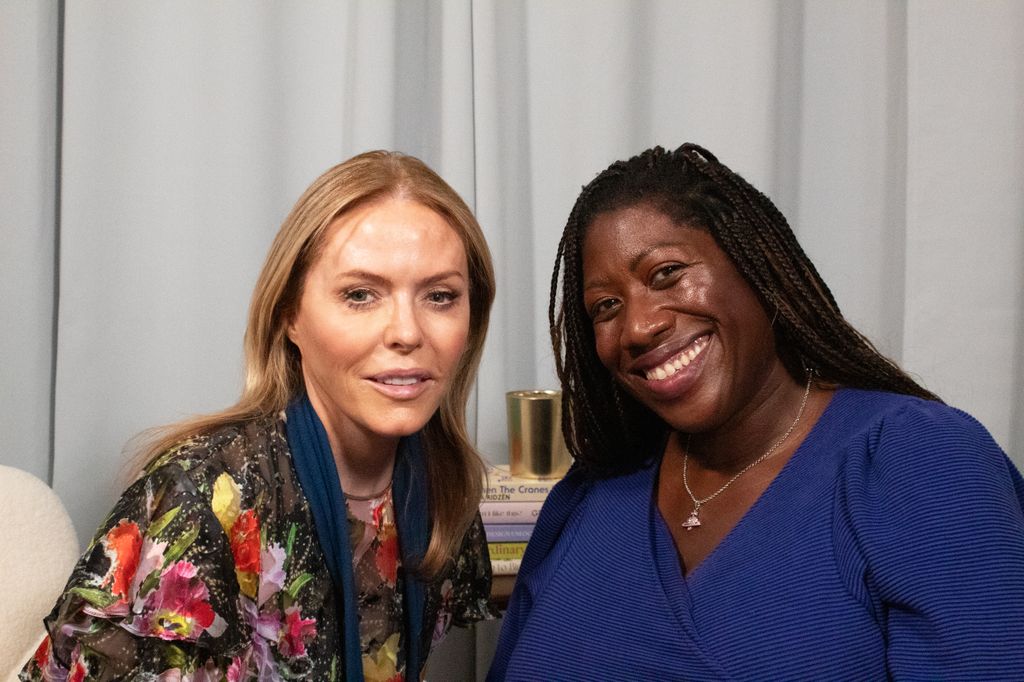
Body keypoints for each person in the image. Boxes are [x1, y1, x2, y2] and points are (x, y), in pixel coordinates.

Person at [489, 144, 1024, 680]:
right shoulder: (590, 498)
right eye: (606, 306)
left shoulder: (918, 460)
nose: (637, 327)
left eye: (667, 273)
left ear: (754, 265)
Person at [22, 151, 497, 681]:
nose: (407, 332)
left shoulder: (440, 488)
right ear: (289, 315)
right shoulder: (201, 499)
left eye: (440, 296)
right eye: (360, 295)